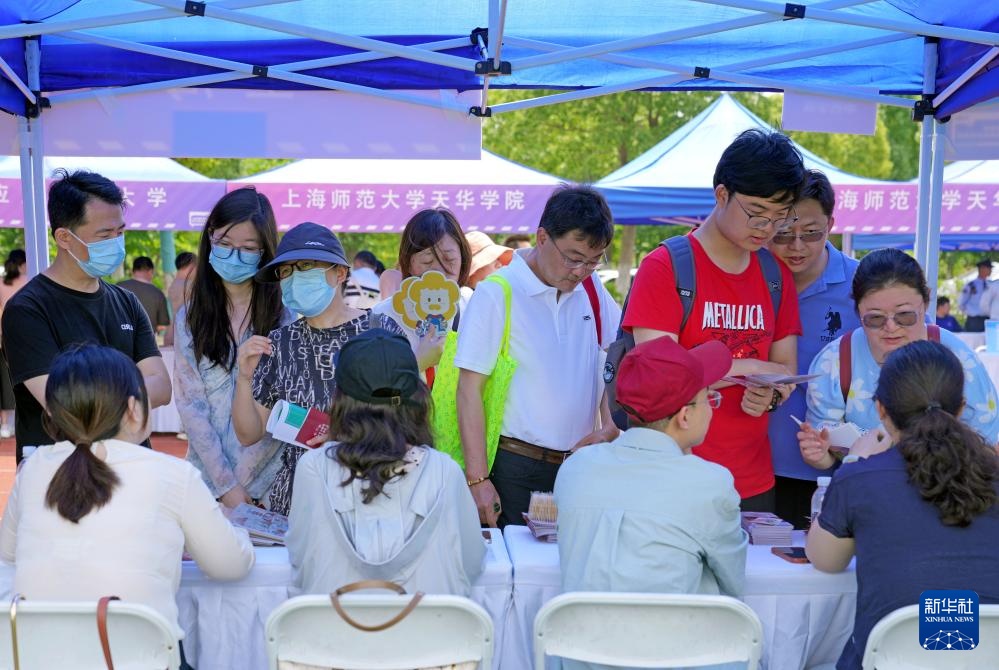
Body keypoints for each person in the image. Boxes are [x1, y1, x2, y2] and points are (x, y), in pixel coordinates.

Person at [0, 345, 254, 669]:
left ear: (52, 414)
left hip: (38, 659)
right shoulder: (173, 475)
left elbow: (7, 554)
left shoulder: (34, 468)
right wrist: (240, 530)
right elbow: (230, 565)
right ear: (134, 408)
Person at [622, 129, 805, 512]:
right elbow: (660, 379)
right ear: (721, 194)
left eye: (780, 217)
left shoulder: (775, 275)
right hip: (675, 478)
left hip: (753, 481)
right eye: (756, 212)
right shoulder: (666, 267)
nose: (766, 228)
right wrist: (753, 366)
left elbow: (785, 367)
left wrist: (770, 392)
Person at [806, 340, 999, 670]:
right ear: (962, 407)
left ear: (881, 410)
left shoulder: (860, 478)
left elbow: (824, 560)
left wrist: (855, 459)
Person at [556, 336, 747, 667]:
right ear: (684, 417)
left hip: (582, 658)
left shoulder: (577, 467)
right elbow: (734, 583)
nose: (711, 408)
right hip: (678, 658)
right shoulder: (710, 483)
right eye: (708, 399)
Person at [456, 185, 620, 527]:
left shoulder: (591, 290)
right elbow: (469, 389)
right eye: (573, 258)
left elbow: (612, 362)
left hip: (579, 466)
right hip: (514, 466)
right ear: (542, 237)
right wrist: (477, 479)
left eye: (593, 261)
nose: (580, 271)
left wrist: (609, 428)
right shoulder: (497, 293)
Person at [287, 328, 485, 597]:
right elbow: (472, 562)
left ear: (342, 400)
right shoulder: (445, 471)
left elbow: (299, 559)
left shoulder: (313, 468)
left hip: (336, 634)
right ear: (416, 397)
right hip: (429, 634)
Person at [232, 222, 403, 515]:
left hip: (369, 492)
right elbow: (249, 434)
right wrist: (244, 378)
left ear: (340, 273)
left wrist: (346, 433)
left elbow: (406, 415)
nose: (294, 277)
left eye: (306, 265)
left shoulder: (379, 330)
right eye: (286, 272)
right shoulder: (280, 342)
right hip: (300, 500)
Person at [1, 169, 170, 463]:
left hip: (132, 469)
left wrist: (96, 398)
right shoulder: (27, 309)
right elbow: (63, 404)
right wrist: (134, 395)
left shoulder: (126, 302)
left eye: (120, 232)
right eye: (104, 235)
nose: (116, 243)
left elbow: (162, 385)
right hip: (62, 479)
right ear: (64, 238)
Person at [800, 248, 999, 471]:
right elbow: (829, 453)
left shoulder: (960, 358)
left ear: (925, 304)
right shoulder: (834, 362)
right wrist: (818, 456)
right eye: (875, 318)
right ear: (857, 311)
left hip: (947, 494)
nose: (891, 328)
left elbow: (989, 445)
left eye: (905, 315)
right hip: (868, 494)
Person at [174, 188, 290, 509]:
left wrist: (246, 485)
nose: (234, 255)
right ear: (209, 237)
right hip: (206, 485)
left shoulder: (285, 318)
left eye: (248, 248)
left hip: (270, 486)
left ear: (265, 252)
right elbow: (191, 406)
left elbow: (281, 407)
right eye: (224, 244)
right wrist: (226, 486)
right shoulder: (190, 319)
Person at [766, 170, 860, 528]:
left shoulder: (863, 286)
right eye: (784, 234)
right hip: (753, 469)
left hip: (833, 472)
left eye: (811, 234)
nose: (797, 246)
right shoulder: (752, 278)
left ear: (831, 224)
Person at [372, 208, 474, 372]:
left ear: (463, 259)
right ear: (408, 263)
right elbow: (372, 383)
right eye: (427, 261)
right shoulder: (382, 316)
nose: (438, 271)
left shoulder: (473, 305)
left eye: (449, 260)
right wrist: (417, 361)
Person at [0, 249, 27, 439]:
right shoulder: (30, 281)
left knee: (5, 381)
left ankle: (6, 424)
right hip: (26, 335)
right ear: (21, 264)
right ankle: (14, 422)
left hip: (4, 335)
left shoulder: (2, 283)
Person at [118, 256, 171, 340]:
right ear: (151, 271)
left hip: (119, 340)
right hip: (146, 344)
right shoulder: (157, 293)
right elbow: (162, 326)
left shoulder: (118, 287)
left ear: (133, 270)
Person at [163, 251, 197, 347]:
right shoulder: (190, 285)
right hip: (186, 336)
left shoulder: (174, 285)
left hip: (172, 333)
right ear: (192, 265)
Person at [958, 258, 993, 332]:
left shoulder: (991, 285)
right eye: (989, 268)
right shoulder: (971, 285)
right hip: (974, 320)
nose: (991, 270)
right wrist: (971, 312)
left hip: (988, 319)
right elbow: (961, 303)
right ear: (982, 269)